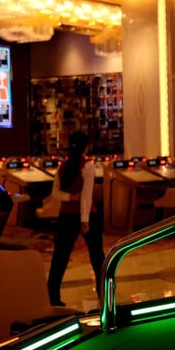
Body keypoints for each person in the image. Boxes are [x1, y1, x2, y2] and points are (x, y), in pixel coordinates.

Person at [47, 130, 105, 306]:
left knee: (60, 257)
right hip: (86, 217)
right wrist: (85, 221)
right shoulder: (87, 166)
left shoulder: (63, 166)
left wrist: (69, 198)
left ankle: (53, 295)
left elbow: (55, 193)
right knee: (97, 256)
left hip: (65, 216)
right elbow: (87, 196)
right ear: (86, 146)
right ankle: (105, 291)